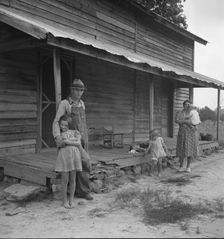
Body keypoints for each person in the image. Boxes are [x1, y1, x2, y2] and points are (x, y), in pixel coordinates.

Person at [53, 79, 93, 200]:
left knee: (85, 163)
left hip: (82, 138)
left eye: (81, 90)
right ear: (72, 90)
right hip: (71, 140)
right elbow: (56, 121)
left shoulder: (82, 104)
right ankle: (72, 191)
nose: (80, 93)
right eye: (77, 90)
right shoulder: (65, 104)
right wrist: (57, 137)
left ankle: (84, 191)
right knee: (72, 164)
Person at [55, 115, 89, 208]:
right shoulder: (59, 135)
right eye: (62, 125)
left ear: (70, 125)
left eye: (66, 125)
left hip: (74, 157)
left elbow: (78, 143)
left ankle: (71, 200)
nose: (63, 127)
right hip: (64, 157)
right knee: (64, 180)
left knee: (73, 179)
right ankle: (64, 201)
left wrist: (68, 141)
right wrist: (72, 141)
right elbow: (61, 143)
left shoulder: (76, 133)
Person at [175, 100, 199, 173]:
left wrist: (194, 125)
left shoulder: (193, 113)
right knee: (181, 149)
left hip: (190, 133)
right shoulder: (179, 112)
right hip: (182, 132)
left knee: (189, 149)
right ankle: (181, 166)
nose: (187, 106)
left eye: (189, 104)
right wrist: (185, 122)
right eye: (186, 104)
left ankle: (188, 166)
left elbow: (197, 122)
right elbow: (176, 120)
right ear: (183, 105)